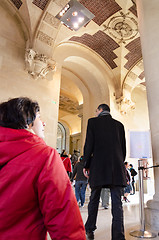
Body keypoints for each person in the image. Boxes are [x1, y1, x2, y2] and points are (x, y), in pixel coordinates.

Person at [0, 97, 86, 240]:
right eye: (39, 117)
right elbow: (64, 219)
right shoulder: (44, 156)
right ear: (27, 121)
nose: (44, 123)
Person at [83, 103, 126, 240]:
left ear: (100, 110)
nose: (96, 113)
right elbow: (123, 150)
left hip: (98, 167)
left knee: (94, 200)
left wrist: (86, 164)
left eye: (97, 111)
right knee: (117, 203)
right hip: (116, 168)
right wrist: (118, 163)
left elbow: (89, 144)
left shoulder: (93, 122)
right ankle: (118, 236)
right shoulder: (119, 125)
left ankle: (90, 230)